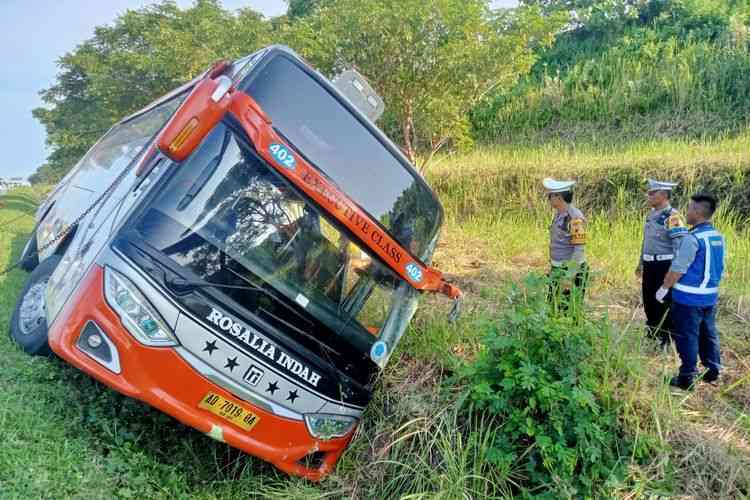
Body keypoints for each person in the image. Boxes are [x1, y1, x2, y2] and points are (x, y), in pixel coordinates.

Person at [656, 192, 725, 390]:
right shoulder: (717, 236)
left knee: (687, 336)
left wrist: (664, 288)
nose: (686, 212)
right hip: (709, 296)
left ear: (697, 211)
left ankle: (687, 377)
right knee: (708, 333)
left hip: (688, 298)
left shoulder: (692, 238)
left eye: (689, 208)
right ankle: (712, 371)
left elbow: (678, 268)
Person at [635, 179, 688, 347]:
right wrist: (640, 262)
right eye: (649, 192)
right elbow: (646, 241)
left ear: (664, 195)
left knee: (663, 301)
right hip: (650, 264)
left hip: (664, 265)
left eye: (652, 193)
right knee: (649, 299)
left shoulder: (672, 216)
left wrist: (673, 270)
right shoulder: (651, 214)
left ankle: (666, 337)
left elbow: (679, 246)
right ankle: (653, 332)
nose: (648, 195)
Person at [543, 178, 588, 310]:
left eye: (550, 195)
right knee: (553, 307)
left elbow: (579, 248)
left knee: (568, 311)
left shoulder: (574, 218)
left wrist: (570, 275)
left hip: (569, 271)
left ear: (559, 197)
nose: (549, 199)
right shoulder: (559, 214)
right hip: (558, 269)